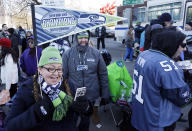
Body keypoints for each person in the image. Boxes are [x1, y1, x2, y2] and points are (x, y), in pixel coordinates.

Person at [5, 46, 92, 131]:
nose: (56, 74)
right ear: (40, 69)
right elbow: (9, 126)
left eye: (59, 69)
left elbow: (83, 115)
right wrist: (35, 114)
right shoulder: (27, 89)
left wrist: (86, 108)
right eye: (50, 69)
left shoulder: (69, 85)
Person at [131, 30, 191, 131]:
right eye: (183, 45)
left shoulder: (144, 54)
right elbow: (182, 98)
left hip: (140, 115)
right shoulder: (167, 66)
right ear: (171, 44)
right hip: (158, 121)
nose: (185, 49)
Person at [62, 31, 110, 131]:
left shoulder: (96, 53)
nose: (83, 40)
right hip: (74, 95)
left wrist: (105, 94)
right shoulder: (68, 54)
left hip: (90, 95)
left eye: (85, 38)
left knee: (85, 120)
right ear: (76, 39)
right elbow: (64, 76)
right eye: (80, 38)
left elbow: (103, 74)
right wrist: (64, 93)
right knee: (73, 120)